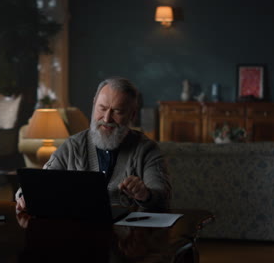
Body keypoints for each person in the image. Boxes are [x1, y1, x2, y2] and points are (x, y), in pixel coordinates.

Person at [15, 77, 171, 211]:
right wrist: (25, 196)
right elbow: (39, 183)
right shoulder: (72, 146)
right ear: (94, 104)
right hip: (78, 234)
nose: (107, 118)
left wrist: (145, 195)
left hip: (129, 239)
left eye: (117, 111)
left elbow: (163, 196)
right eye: (102, 108)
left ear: (132, 115)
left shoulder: (147, 149)